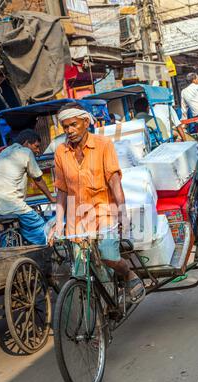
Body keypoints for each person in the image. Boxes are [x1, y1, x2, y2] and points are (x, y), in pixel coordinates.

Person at [53, 102, 145, 304]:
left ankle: (128, 274)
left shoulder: (104, 145)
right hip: (76, 218)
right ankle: (96, 314)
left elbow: (114, 183)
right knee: (79, 270)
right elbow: (61, 190)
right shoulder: (61, 152)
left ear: (86, 122)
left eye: (73, 125)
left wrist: (123, 215)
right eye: (65, 127)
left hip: (104, 212)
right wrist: (59, 222)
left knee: (107, 254)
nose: (69, 130)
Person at [0, 129, 56, 246]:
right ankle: (47, 256)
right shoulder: (25, 152)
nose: (38, 151)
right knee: (43, 231)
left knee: (4, 247)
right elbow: (38, 179)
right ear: (26, 143)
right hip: (12, 206)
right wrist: (52, 199)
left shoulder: (2, 152)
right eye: (36, 146)